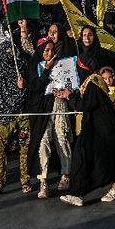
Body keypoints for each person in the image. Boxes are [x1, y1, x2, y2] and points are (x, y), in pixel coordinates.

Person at [58, 72, 115, 207]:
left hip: (99, 131)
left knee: (93, 161)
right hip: (95, 130)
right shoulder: (94, 83)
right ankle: (78, 193)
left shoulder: (93, 83)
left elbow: (84, 105)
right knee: (94, 161)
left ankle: (80, 193)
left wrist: (69, 96)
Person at [25, 40, 76, 199]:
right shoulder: (34, 66)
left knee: (62, 137)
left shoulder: (63, 64)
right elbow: (35, 88)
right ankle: (43, 181)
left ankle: (65, 175)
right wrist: (46, 71)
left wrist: (67, 91)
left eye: (52, 50)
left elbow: (71, 83)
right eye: (46, 50)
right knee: (43, 141)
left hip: (59, 103)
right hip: (41, 108)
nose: (49, 53)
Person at [0, 40, 31, 195]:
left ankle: (25, 181)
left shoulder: (23, 67)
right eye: (7, 52)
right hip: (2, 115)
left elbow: (36, 87)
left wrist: (25, 85)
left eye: (12, 52)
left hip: (22, 114)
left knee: (25, 148)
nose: (10, 55)